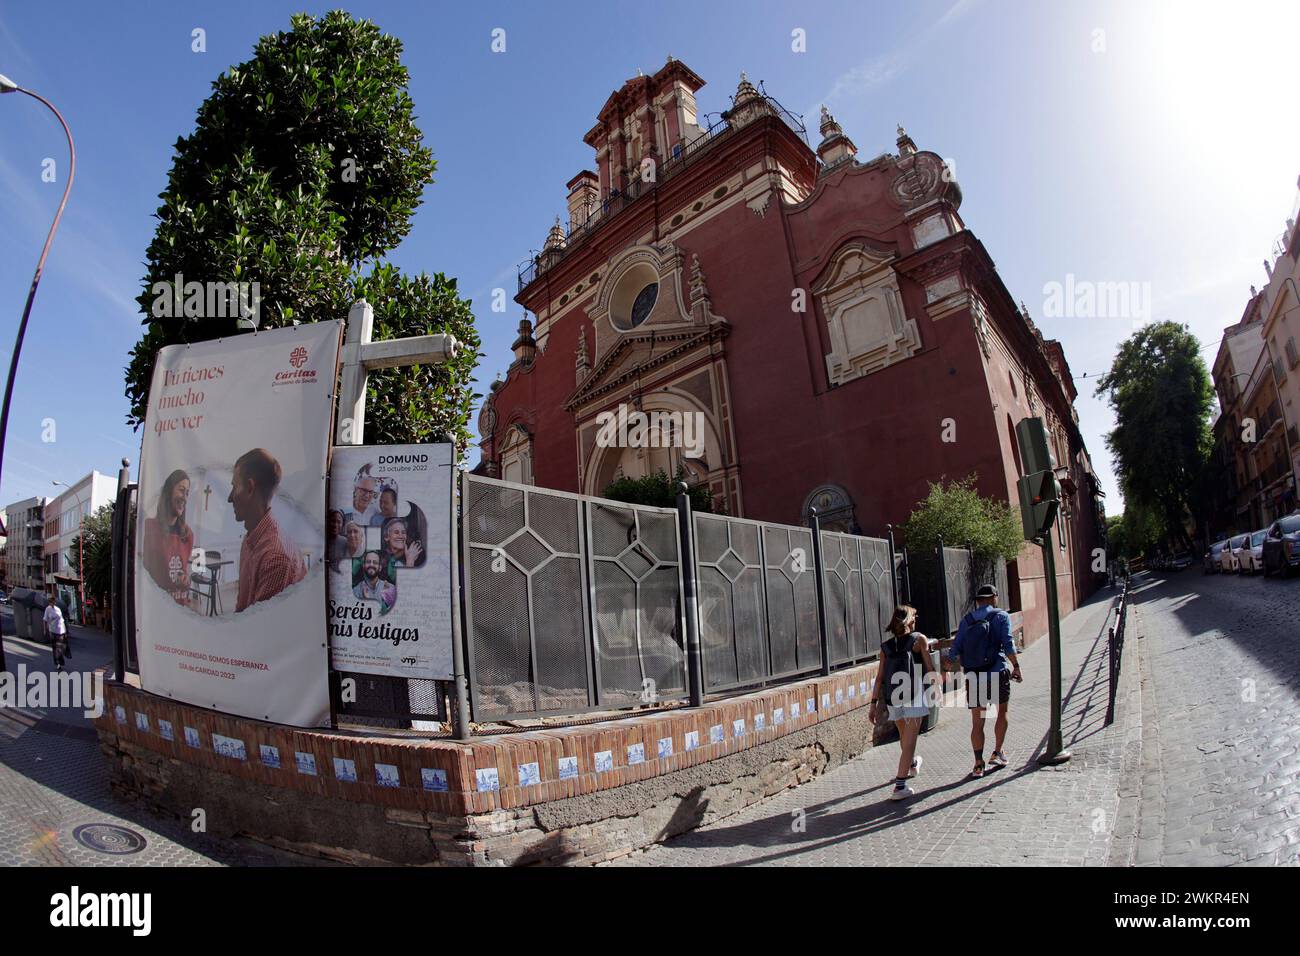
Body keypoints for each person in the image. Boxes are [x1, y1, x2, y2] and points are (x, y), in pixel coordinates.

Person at [948, 583, 1022, 778]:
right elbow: (1008, 644)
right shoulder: (1001, 616)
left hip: (974, 676)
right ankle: (998, 751)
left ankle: (978, 764)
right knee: (1001, 712)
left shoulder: (966, 621)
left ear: (979, 600)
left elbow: (954, 650)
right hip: (997, 672)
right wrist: (1016, 666)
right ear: (994, 597)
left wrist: (947, 666)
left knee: (977, 721)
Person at [869, 604, 938, 800]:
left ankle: (912, 765)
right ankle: (899, 786)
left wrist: (873, 704)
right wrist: (936, 688)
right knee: (909, 742)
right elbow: (929, 666)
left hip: (893, 698)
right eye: (914, 617)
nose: (916, 621)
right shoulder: (919, 640)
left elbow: (880, 677)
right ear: (910, 620)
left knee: (903, 736)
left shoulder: (886, 647)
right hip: (913, 696)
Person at [228, 448, 306, 612]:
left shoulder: (275, 557)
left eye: (235, 487)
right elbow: (242, 609)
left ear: (250, 487)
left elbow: (259, 630)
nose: (230, 497)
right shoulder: (250, 539)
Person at [142, 468, 196, 606]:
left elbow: (184, 573)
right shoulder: (148, 529)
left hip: (179, 611)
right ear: (168, 492)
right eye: (181, 490)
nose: (184, 497)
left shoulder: (188, 535)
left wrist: (185, 581)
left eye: (187, 493)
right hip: (156, 610)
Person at [352, 550, 396, 614]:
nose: (371, 565)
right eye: (368, 562)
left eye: (375, 562)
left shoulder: (390, 588)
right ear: (363, 566)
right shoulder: (355, 591)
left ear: (380, 567)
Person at [44, 595, 69, 671]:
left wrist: (65, 631)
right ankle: (58, 663)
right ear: (49, 602)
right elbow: (45, 619)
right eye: (51, 602)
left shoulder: (58, 609)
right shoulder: (48, 609)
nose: (52, 603)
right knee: (55, 648)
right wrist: (45, 630)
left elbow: (62, 620)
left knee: (59, 648)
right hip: (53, 631)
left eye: (53, 602)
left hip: (61, 630)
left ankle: (60, 661)